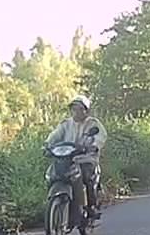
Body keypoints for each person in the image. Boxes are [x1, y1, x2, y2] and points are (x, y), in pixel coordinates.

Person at [45, 96, 107, 224]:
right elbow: (55, 135)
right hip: (67, 158)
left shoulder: (93, 124)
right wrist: (47, 145)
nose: (76, 112)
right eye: (74, 109)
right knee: (53, 175)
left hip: (86, 159)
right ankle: (58, 202)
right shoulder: (66, 124)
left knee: (87, 178)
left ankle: (91, 207)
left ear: (86, 111)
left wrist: (94, 146)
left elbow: (101, 136)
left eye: (80, 109)